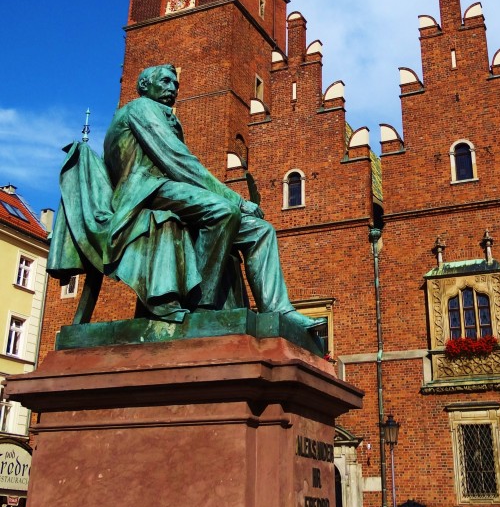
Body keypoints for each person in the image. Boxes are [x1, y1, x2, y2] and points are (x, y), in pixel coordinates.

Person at [49, 64, 318, 329]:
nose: (173, 88)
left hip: (168, 190)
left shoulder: (164, 115)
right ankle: (203, 303)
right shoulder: (140, 109)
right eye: (165, 82)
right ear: (145, 86)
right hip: (145, 191)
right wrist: (236, 200)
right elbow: (178, 161)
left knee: (261, 231)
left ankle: (280, 310)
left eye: (175, 84)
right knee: (224, 211)